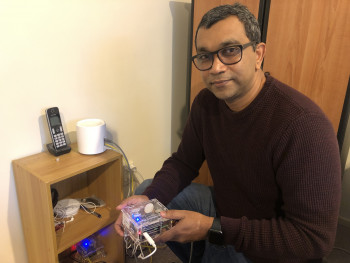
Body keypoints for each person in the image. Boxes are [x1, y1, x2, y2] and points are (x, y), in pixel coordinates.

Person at [115, 3, 341, 263]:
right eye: (205, 56)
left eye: (230, 51)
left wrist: (212, 228)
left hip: (271, 244)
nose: (216, 67)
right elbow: (183, 162)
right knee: (149, 197)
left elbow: (312, 240)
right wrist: (148, 198)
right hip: (225, 213)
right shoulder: (206, 104)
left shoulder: (303, 125)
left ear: (258, 54)